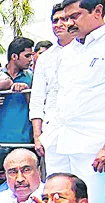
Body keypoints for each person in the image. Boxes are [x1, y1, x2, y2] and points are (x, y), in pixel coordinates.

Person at [42, 0, 105, 203]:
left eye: (75, 16)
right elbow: (56, 94)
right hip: (59, 140)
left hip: (93, 144)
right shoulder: (67, 51)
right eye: (65, 18)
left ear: (98, 11)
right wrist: (48, 133)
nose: (68, 23)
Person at [29, 3, 74, 158]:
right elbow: (37, 99)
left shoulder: (87, 51)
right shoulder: (45, 58)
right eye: (55, 21)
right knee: (54, 180)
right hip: (52, 131)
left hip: (81, 133)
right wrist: (37, 136)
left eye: (64, 19)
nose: (59, 24)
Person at [0, 37, 34, 144]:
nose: (30, 59)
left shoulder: (32, 78)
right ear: (14, 56)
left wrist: (26, 90)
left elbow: (36, 106)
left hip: (23, 141)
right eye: (27, 56)